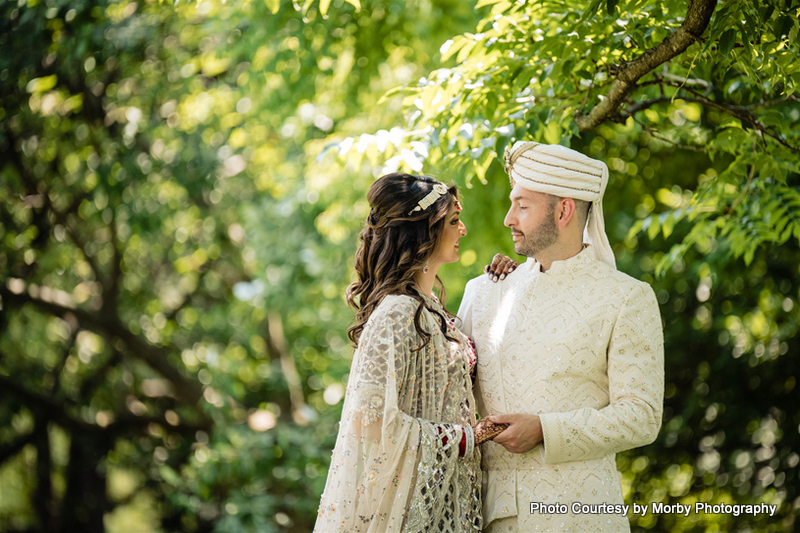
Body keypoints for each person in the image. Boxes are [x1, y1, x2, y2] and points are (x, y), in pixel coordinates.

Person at [458, 142, 665, 532]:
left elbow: (642, 416)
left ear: (564, 210)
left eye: (522, 205)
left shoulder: (625, 298)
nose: (507, 218)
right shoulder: (483, 293)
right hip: (487, 520)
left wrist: (545, 429)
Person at [315, 173, 510, 533]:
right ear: (424, 232)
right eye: (453, 221)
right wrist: (469, 436)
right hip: (404, 512)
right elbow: (372, 423)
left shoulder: (430, 309)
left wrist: (504, 285)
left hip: (446, 498)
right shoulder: (396, 314)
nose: (463, 230)